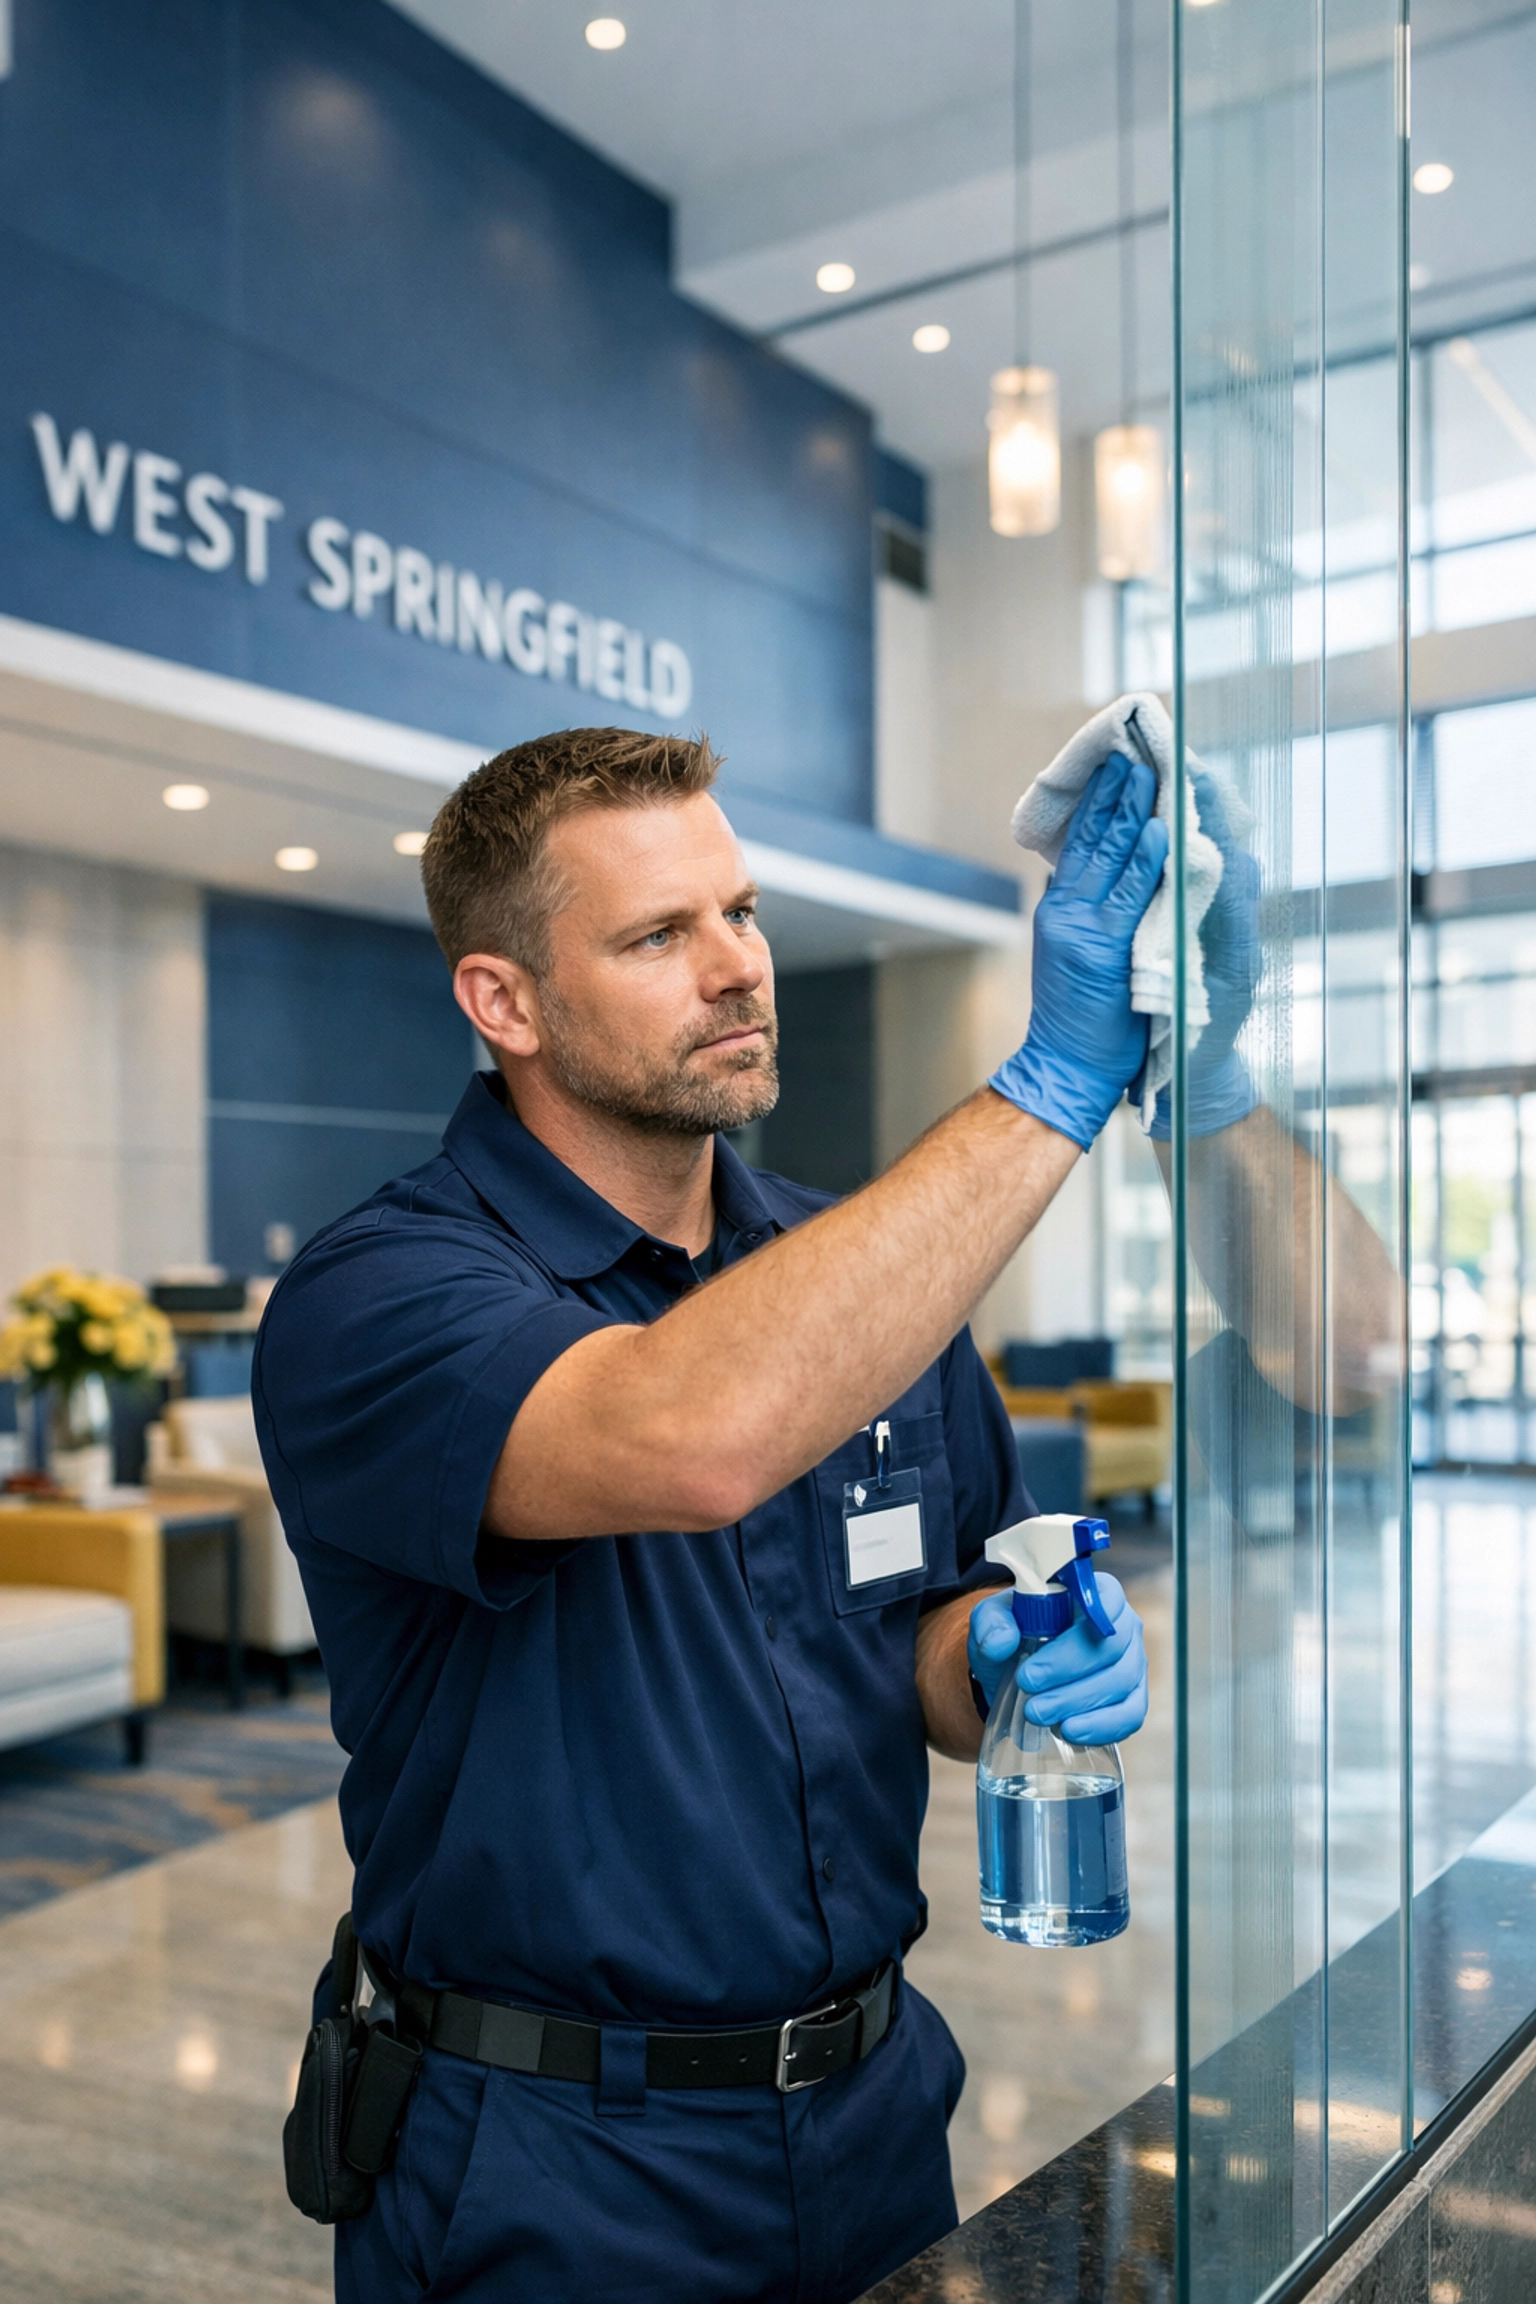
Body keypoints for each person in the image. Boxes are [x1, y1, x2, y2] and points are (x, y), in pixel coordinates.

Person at [255, 725, 1163, 2304]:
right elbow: (687, 1435)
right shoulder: (378, 1294)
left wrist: (1000, 1655)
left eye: (738, 912)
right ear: (505, 1001)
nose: (737, 966)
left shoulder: (853, 1277)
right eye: (658, 935)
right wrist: (1057, 1082)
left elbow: (927, 1632)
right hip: (548, 2159)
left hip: (877, 2109)